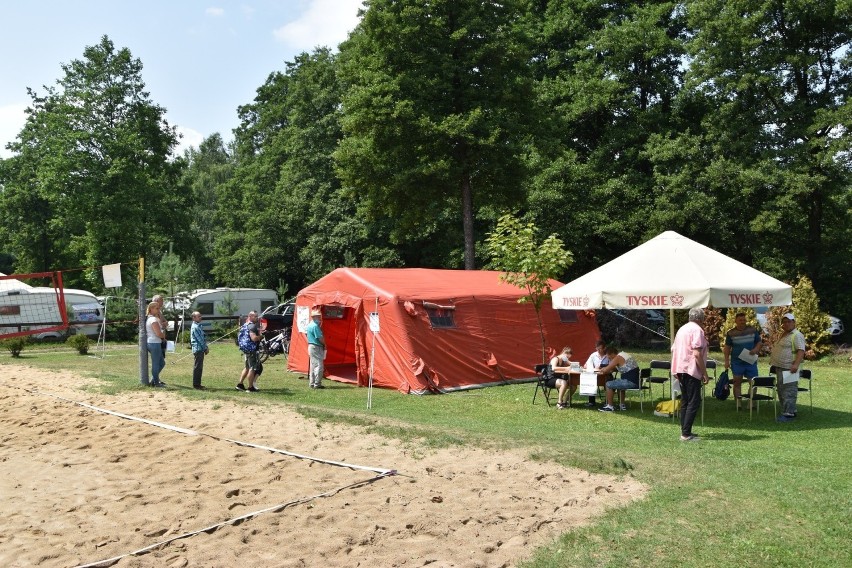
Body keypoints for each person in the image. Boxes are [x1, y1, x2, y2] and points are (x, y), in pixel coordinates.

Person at [671, 308, 710, 441]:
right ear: (700, 319)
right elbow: (697, 353)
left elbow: (674, 349)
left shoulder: (682, 329)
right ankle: (686, 434)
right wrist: (704, 373)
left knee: (685, 401)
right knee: (694, 401)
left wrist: (675, 369)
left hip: (680, 369)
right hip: (691, 369)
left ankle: (685, 430)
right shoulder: (697, 330)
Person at [771, 313, 805, 423]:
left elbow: (801, 350)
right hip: (781, 367)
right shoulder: (784, 334)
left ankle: (788, 415)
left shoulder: (797, 335)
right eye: (784, 322)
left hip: (790, 367)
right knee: (781, 390)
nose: (786, 324)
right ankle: (791, 410)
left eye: (789, 321)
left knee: (788, 391)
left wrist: (796, 365)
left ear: (794, 322)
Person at [723, 312, 762, 404]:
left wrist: (755, 349)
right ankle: (738, 403)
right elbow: (727, 347)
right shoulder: (731, 333)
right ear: (736, 321)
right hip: (737, 362)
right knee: (737, 383)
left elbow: (759, 342)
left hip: (750, 361)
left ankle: (751, 403)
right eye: (740, 320)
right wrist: (726, 361)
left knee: (753, 383)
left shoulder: (752, 330)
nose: (742, 322)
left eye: (744, 320)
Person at [597, 347, 640, 412]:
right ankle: (621, 405)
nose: (609, 359)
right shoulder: (624, 355)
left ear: (612, 354)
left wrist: (601, 369)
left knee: (608, 384)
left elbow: (606, 370)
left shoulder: (617, 357)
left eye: (609, 357)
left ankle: (610, 406)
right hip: (636, 381)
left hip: (630, 382)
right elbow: (622, 367)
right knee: (618, 383)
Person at [236, 311, 262, 393]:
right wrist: (261, 336)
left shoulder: (245, 325)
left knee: (247, 367)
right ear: (250, 316)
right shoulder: (252, 326)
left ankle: (240, 384)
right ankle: (250, 387)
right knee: (252, 368)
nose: (257, 318)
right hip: (252, 350)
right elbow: (254, 338)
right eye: (255, 316)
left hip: (245, 350)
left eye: (257, 316)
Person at [144, 301, 167, 387]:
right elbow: (158, 333)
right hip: (154, 343)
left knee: (162, 363)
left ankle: (153, 380)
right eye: (157, 308)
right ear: (151, 309)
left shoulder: (152, 318)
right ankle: (156, 383)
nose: (158, 310)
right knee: (156, 363)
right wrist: (163, 336)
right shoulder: (152, 319)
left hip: (154, 342)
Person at [582, 340, 610, 407]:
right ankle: (591, 402)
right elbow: (587, 365)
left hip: (606, 374)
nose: (599, 350)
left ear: (604, 348)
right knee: (590, 380)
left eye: (600, 349)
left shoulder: (608, 355)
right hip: (595, 374)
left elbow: (612, 365)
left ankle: (607, 401)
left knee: (608, 382)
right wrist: (592, 368)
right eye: (597, 349)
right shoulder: (593, 355)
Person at [306, 308, 326, 389]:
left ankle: (312, 383)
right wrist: (325, 344)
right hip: (316, 346)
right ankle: (317, 384)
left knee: (313, 366)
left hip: (311, 346)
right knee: (319, 366)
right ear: (314, 317)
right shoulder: (315, 326)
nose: (320, 318)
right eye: (318, 317)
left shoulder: (310, 325)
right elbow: (320, 338)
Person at [190, 311, 209, 390]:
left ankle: (197, 384)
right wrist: (205, 348)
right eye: (199, 316)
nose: (200, 317)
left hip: (199, 349)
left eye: (200, 316)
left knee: (199, 367)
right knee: (198, 367)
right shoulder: (196, 327)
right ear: (194, 318)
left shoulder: (198, 326)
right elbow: (200, 340)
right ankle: (196, 385)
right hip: (198, 349)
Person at [152, 294, 168, 368]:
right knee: (159, 361)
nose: (163, 302)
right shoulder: (153, 312)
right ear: (157, 301)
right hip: (157, 339)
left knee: (162, 360)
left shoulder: (159, 312)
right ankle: (154, 379)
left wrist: (165, 323)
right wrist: (163, 324)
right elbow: (156, 324)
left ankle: (155, 378)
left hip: (162, 338)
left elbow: (164, 321)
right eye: (162, 300)